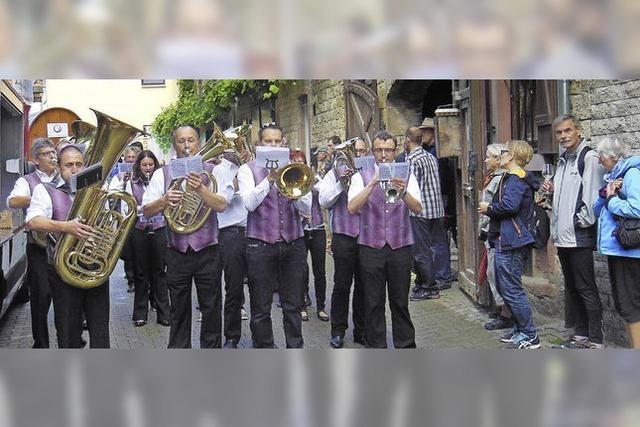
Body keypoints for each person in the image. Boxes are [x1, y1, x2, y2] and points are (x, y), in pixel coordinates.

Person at [143, 125, 231, 348]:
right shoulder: (161, 174)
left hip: (208, 249)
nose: (187, 146)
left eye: (191, 140)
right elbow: (145, 210)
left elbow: (221, 205)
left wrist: (201, 189)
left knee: (211, 307)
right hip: (177, 251)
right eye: (181, 141)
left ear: (198, 144)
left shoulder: (214, 170)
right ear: (175, 145)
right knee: (178, 308)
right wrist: (164, 201)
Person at [26, 144, 110, 348]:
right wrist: (66, 227)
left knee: (100, 333)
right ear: (59, 168)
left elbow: (108, 224)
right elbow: (33, 222)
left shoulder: (98, 191)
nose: (75, 170)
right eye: (69, 165)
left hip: (95, 270)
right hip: (63, 273)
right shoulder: (44, 190)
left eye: (79, 164)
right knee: (67, 333)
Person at [237, 123, 311, 348]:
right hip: (260, 245)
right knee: (260, 307)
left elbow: (306, 208)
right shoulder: (247, 170)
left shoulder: (296, 168)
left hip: (293, 243)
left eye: (277, 141)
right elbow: (249, 204)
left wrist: (294, 191)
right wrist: (269, 179)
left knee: (293, 305)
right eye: (268, 141)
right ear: (259, 145)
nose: (273, 145)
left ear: (284, 143)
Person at [348, 130, 423, 348]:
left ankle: (406, 346)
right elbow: (352, 208)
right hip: (371, 247)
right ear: (373, 152)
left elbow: (418, 209)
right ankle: (376, 347)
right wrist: (371, 184)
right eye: (379, 150)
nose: (383, 155)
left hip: (400, 246)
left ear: (395, 151)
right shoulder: (359, 177)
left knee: (400, 301)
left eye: (388, 150)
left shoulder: (408, 175)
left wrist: (404, 191)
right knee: (373, 302)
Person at [542, 114, 605, 349]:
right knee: (572, 287)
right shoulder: (563, 159)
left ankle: (596, 340)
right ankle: (581, 335)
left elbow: (592, 196)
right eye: (559, 133)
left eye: (567, 131)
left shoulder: (588, 157)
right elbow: (566, 194)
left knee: (586, 287)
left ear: (578, 130)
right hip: (563, 235)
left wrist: (580, 222)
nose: (563, 136)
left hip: (578, 235)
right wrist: (551, 191)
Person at [478, 140, 541, 349]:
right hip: (504, 238)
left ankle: (530, 335)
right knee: (506, 288)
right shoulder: (510, 176)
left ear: (511, 156)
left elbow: (510, 206)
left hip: (513, 240)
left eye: (504, 152)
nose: (501, 155)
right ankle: (520, 330)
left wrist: (489, 208)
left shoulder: (515, 179)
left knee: (512, 290)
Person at [6, 138, 59, 348]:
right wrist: (41, 196)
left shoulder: (64, 176)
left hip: (65, 246)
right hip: (39, 247)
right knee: (41, 298)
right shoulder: (26, 181)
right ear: (36, 160)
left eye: (54, 152)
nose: (53, 156)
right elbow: (12, 201)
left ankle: (72, 336)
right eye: (47, 153)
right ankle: (41, 344)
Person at [320, 136, 368, 348]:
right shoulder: (333, 174)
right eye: (354, 151)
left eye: (360, 151)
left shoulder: (370, 172)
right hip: (344, 236)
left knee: (365, 287)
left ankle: (362, 330)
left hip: (367, 236)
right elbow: (324, 201)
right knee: (342, 285)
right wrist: (341, 183)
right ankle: (338, 330)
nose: (357, 155)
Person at [593, 137, 640, 348]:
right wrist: (606, 195)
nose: (599, 161)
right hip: (619, 250)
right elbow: (596, 211)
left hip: (630, 251)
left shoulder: (631, 175)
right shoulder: (614, 177)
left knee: (630, 305)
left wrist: (613, 201)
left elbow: (638, 208)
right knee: (625, 304)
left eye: (601, 157)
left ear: (613, 156)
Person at [125, 150, 170, 328]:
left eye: (151, 164)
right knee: (141, 272)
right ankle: (140, 313)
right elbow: (127, 207)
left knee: (160, 271)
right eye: (144, 165)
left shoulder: (161, 179)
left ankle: (164, 313)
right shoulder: (131, 182)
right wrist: (144, 208)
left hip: (159, 228)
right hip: (140, 229)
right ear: (139, 166)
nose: (148, 168)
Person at [403, 127, 447, 302]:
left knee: (421, 251)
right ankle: (436, 278)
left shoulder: (412, 159)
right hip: (435, 208)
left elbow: (411, 187)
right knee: (437, 245)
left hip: (420, 211)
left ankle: (429, 287)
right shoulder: (430, 156)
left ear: (407, 140)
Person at [213, 151, 250, 349]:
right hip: (231, 233)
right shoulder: (219, 170)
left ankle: (262, 336)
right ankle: (232, 336)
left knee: (260, 289)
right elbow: (222, 200)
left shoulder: (251, 167)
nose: (239, 150)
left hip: (255, 232)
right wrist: (236, 180)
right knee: (233, 288)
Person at [478, 144, 513, 330]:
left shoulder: (501, 180)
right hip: (490, 230)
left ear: (498, 159)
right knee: (493, 272)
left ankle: (506, 313)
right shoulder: (494, 178)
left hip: (496, 231)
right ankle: (502, 309)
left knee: (497, 273)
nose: (485, 160)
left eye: (488, 157)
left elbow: (498, 206)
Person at [294, 150, 329, 322]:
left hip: (317, 227)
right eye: (297, 161)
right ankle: (302, 306)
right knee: (301, 269)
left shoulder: (314, 178)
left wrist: (313, 181)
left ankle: (321, 306)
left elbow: (325, 196)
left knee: (320, 270)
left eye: (303, 161)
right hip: (300, 230)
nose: (300, 164)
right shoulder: (291, 179)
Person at [110, 145, 142, 293]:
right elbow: (111, 193)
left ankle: (141, 278)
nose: (130, 160)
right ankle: (131, 280)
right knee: (128, 251)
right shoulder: (118, 175)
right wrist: (122, 180)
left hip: (141, 217)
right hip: (125, 216)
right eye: (128, 157)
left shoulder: (143, 174)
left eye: (133, 158)